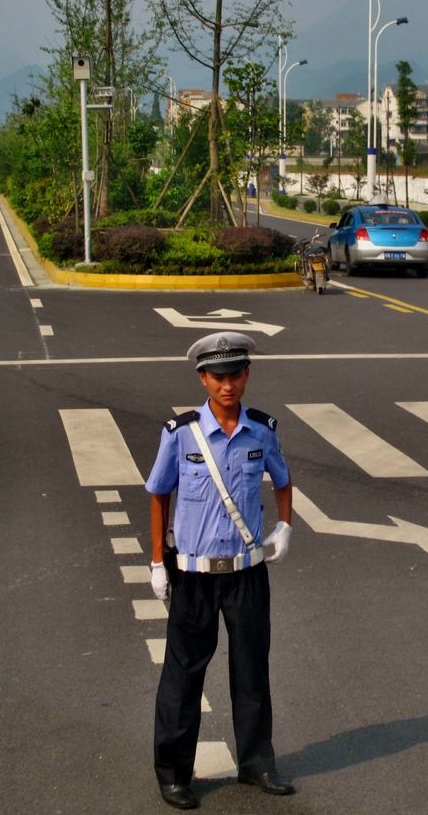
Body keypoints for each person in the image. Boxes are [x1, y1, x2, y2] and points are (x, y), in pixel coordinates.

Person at [145, 332, 294, 810]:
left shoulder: (262, 430)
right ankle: (174, 774)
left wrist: (284, 527)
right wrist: (156, 560)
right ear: (203, 379)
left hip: (248, 574)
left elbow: (284, 480)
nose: (227, 385)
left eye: (235, 375)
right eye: (218, 377)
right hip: (193, 575)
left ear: (246, 375)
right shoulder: (181, 433)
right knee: (183, 676)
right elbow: (158, 493)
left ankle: (257, 763)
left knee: (252, 671)